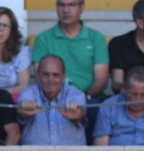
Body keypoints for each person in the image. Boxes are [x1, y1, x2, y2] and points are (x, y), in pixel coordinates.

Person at [30, 0, 108, 129]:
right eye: (61, 5)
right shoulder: (43, 38)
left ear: (82, 8)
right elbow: (40, 77)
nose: (66, 10)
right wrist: (59, 99)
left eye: (71, 5)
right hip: (50, 99)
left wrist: (80, 99)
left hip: (88, 99)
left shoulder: (96, 38)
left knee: (99, 112)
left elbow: (101, 79)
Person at [17, 54, 86, 146]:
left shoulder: (75, 93)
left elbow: (80, 112)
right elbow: (21, 108)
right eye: (46, 74)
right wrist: (25, 107)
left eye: (56, 75)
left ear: (63, 76)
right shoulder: (29, 92)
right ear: (38, 74)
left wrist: (77, 113)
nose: (51, 79)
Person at [93, 65, 144, 146]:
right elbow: (100, 146)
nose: (138, 99)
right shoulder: (109, 106)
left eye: (142, 95)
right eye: (133, 94)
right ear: (124, 89)